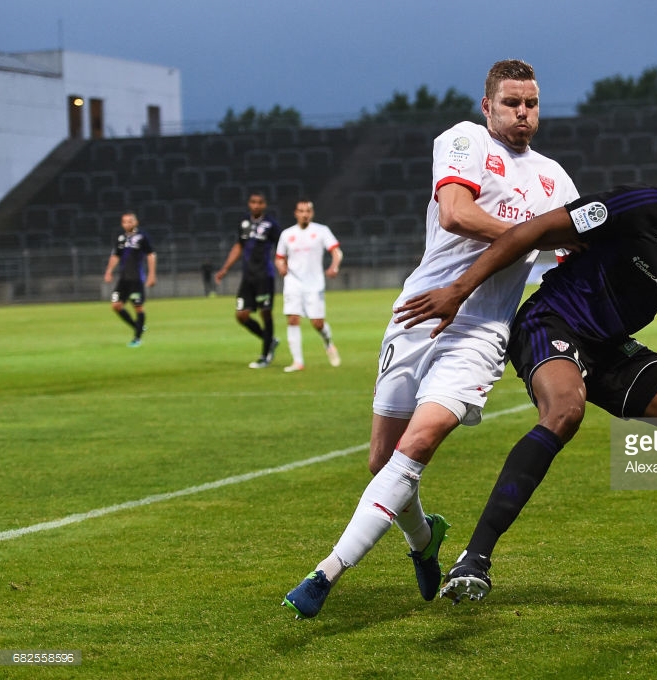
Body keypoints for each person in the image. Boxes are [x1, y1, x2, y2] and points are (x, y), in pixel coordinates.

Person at [396, 152, 657, 616]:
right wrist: (458, 291)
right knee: (565, 411)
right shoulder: (645, 208)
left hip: (607, 347)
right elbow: (536, 231)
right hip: (551, 320)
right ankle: (473, 559)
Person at [281, 59, 580, 619]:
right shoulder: (463, 140)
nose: (523, 113)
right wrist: (535, 234)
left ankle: (325, 573)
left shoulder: (555, 179)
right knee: (380, 459)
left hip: (481, 331)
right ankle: (424, 541)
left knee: (418, 444)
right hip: (419, 311)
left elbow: (574, 256)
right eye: (511, 103)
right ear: (486, 105)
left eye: (531, 103)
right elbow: (456, 213)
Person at [214, 191, 283, 368]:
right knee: (241, 315)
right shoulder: (244, 223)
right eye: (253, 202)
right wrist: (225, 268)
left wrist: (283, 264)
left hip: (264, 276)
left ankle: (265, 355)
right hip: (248, 277)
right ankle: (270, 340)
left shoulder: (271, 225)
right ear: (249, 204)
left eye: (260, 202)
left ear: (264, 205)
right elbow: (238, 246)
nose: (256, 205)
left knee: (265, 313)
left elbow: (282, 246)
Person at [275, 199, 343, 372]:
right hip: (293, 282)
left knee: (317, 323)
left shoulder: (321, 231)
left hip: (314, 284)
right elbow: (279, 257)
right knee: (292, 318)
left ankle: (328, 344)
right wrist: (281, 267)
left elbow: (336, 251)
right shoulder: (287, 234)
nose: (304, 214)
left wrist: (334, 266)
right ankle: (298, 362)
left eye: (307, 211)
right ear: (295, 213)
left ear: (312, 213)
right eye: (301, 211)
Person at [103, 211, 156, 347]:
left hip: (136, 279)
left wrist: (151, 274)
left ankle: (137, 339)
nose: (127, 224)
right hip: (123, 280)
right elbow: (115, 256)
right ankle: (138, 327)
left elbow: (151, 255)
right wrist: (109, 271)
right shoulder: (121, 239)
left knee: (138, 307)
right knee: (115, 305)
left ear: (135, 222)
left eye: (130, 221)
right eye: (125, 221)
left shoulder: (142, 237)